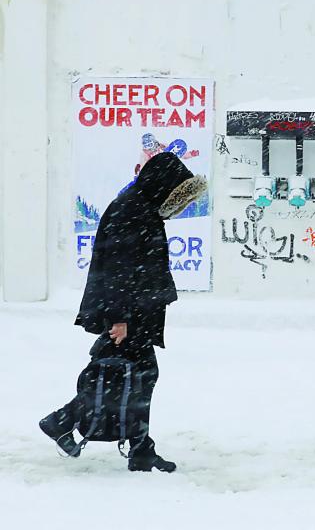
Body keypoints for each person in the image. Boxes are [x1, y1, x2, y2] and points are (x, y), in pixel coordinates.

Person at [40, 152, 207, 472]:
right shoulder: (131, 209)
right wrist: (120, 319)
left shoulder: (139, 206)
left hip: (136, 312)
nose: (177, 204)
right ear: (161, 183)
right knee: (126, 377)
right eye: (175, 194)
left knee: (131, 378)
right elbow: (117, 269)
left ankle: (130, 444)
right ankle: (66, 422)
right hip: (129, 314)